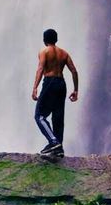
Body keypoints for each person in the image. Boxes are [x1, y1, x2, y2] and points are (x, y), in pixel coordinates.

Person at [31, 28, 79, 159]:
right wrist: (75, 90)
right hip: (61, 84)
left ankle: (53, 142)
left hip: (50, 82)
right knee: (58, 118)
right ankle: (59, 149)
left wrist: (35, 87)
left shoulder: (44, 51)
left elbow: (40, 68)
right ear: (56, 39)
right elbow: (74, 71)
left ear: (44, 40)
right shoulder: (64, 53)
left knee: (39, 116)